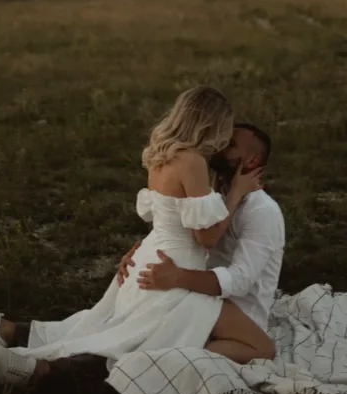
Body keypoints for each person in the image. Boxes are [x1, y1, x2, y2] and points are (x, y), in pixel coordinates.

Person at [0, 86, 276, 387]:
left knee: (108, 328)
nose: (223, 142)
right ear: (210, 125)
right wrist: (235, 195)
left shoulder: (163, 155)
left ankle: (12, 338)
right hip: (172, 273)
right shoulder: (192, 161)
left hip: (153, 257)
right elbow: (206, 238)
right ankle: (37, 367)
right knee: (130, 343)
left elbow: (170, 222)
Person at [119, 122, 284, 336]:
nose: (219, 146)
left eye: (230, 144)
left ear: (252, 161)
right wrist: (140, 259)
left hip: (240, 316)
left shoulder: (263, 211)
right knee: (137, 312)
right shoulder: (214, 196)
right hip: (198, 294)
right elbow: (181, 236)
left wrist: (177, 277)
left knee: (152, 331)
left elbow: (240, 281)